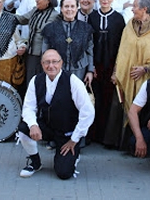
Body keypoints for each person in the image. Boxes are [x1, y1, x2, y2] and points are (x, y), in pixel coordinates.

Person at [17, 49, 95, 179]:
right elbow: (28, 107)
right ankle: (35, 163)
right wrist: (33, 125)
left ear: (61, 63)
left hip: (67, 133)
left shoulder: (73, 81)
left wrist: (74, 139)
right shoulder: (36, 80)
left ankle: (73, 156)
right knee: (23, 128)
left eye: (54, 62)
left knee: (64, 173)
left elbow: (88, 112)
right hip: (48, 127)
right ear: (42, 64)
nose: (51, 66)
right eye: (47, 62)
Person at [112, 0, 150, 147]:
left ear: (144, 9)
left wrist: (145, 68)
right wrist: (116, 72)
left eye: (135, 6)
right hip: (127, 76)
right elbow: (122, 50)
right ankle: (125, 143)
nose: (132, 9)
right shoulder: (130, 24)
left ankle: (144, 143)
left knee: (143, 108)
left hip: (146, 78)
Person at [87, 0, 126, 147]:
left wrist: (116, 69)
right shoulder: (92, 17)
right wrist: (92, 67)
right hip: (97, 65)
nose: (104, 0)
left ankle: (107, 137)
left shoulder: (118, 18)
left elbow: (121, 46)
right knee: (95, 99)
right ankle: (93, 134)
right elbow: (89, 43)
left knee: (109, 101)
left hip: (111, 65)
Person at [42, 0, 94, 83]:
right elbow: (45, 52)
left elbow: (90, 51)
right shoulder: (50, 28)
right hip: (56, 69)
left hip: (79, 70)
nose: (69, 9)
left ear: (77, 8)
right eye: (66, 6)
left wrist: (90, 71)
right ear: (61, 9)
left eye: (72, 6)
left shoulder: (86, 28)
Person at [16, 0, 59, 83]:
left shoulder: (55, 16)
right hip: (30, 55)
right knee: (30, 84)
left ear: (48, 0)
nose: (36, 0)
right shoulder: (35, 11)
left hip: (45, 58)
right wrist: (2, 15)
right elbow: (20, 19)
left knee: (42, 85)